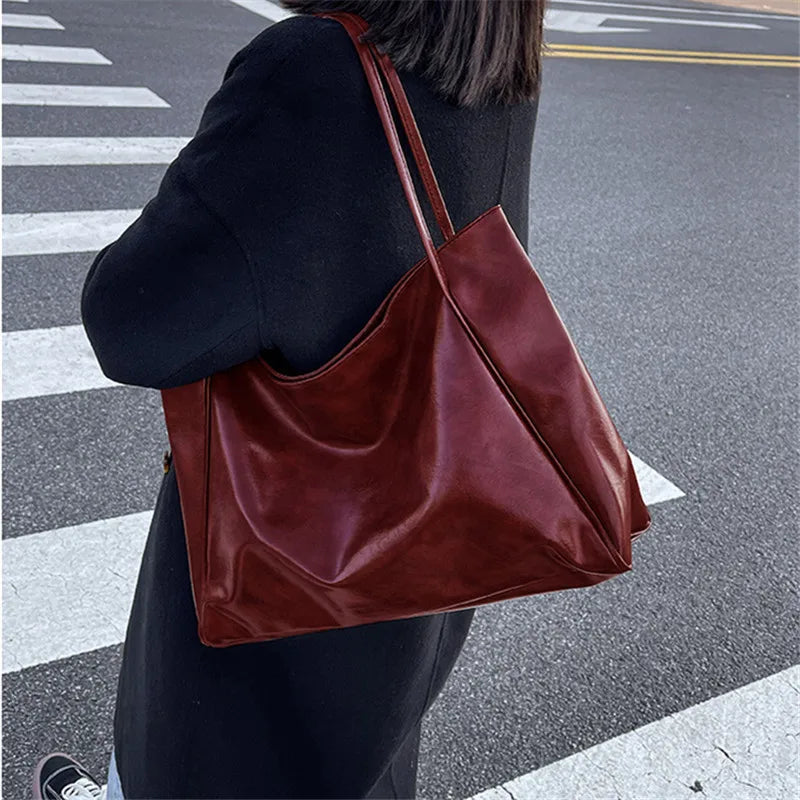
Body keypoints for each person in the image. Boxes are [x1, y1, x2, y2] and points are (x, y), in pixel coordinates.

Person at [33, 1, 545, 797]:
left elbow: (130, 321)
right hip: (418, 547)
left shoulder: (314, 68)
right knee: (353, 762)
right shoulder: (497, 70)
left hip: (285, 562)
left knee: (209, 758)